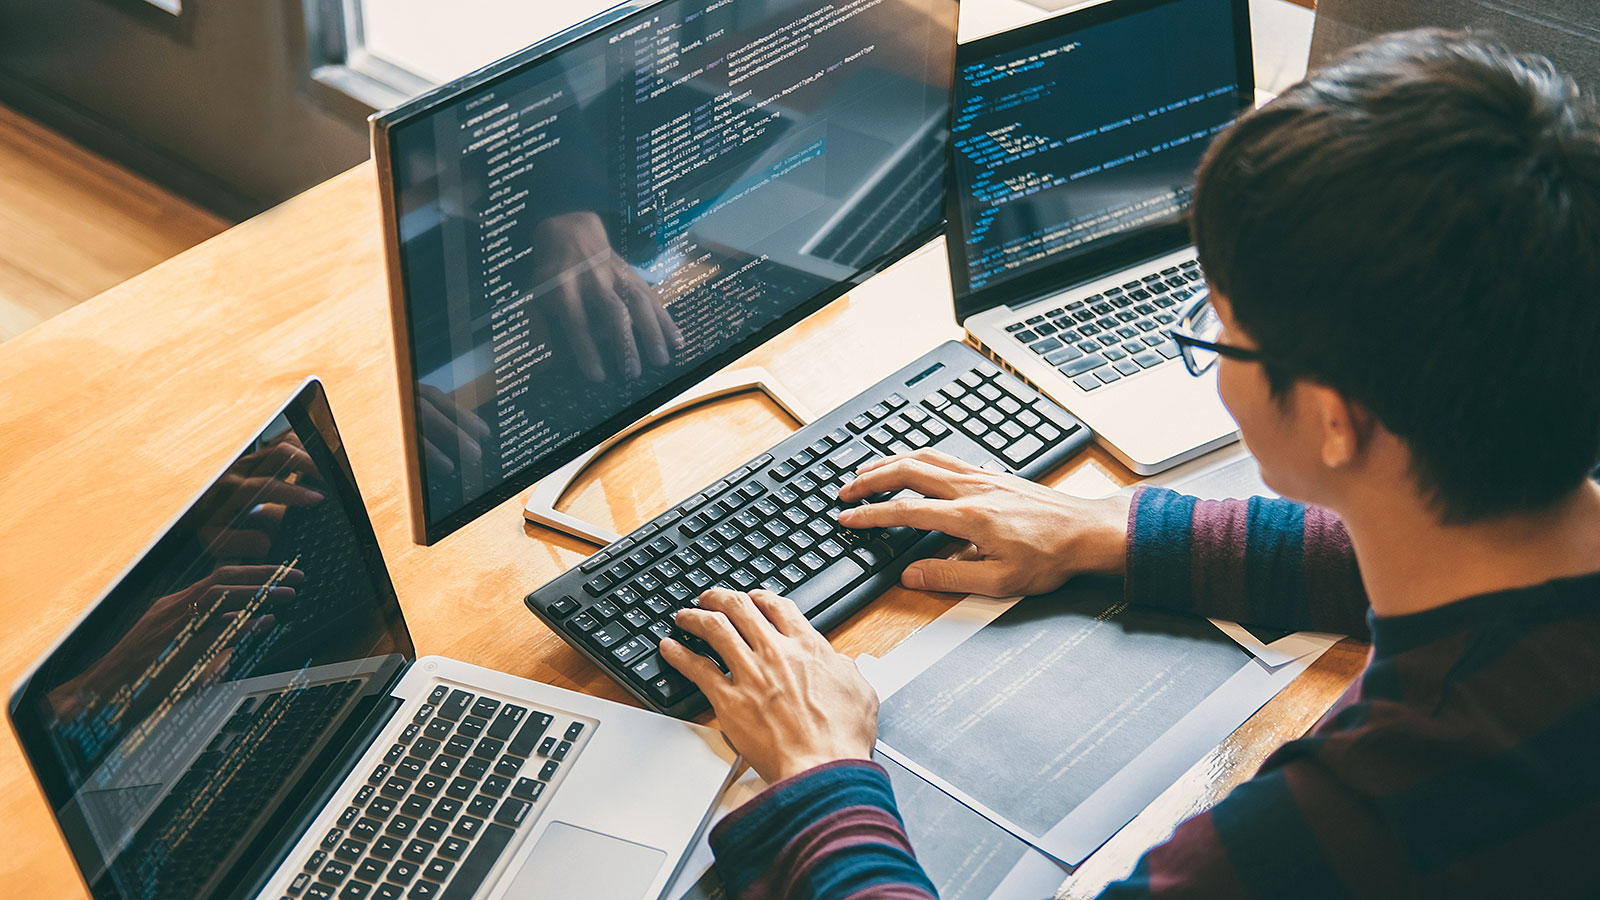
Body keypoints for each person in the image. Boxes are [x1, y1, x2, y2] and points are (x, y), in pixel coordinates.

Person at [657, 29, 1600, 899]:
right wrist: (1119, 527)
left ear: (1332, 421)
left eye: (1224, 333)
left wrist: (822, 780)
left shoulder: (1350, 825)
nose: (1215, 355)